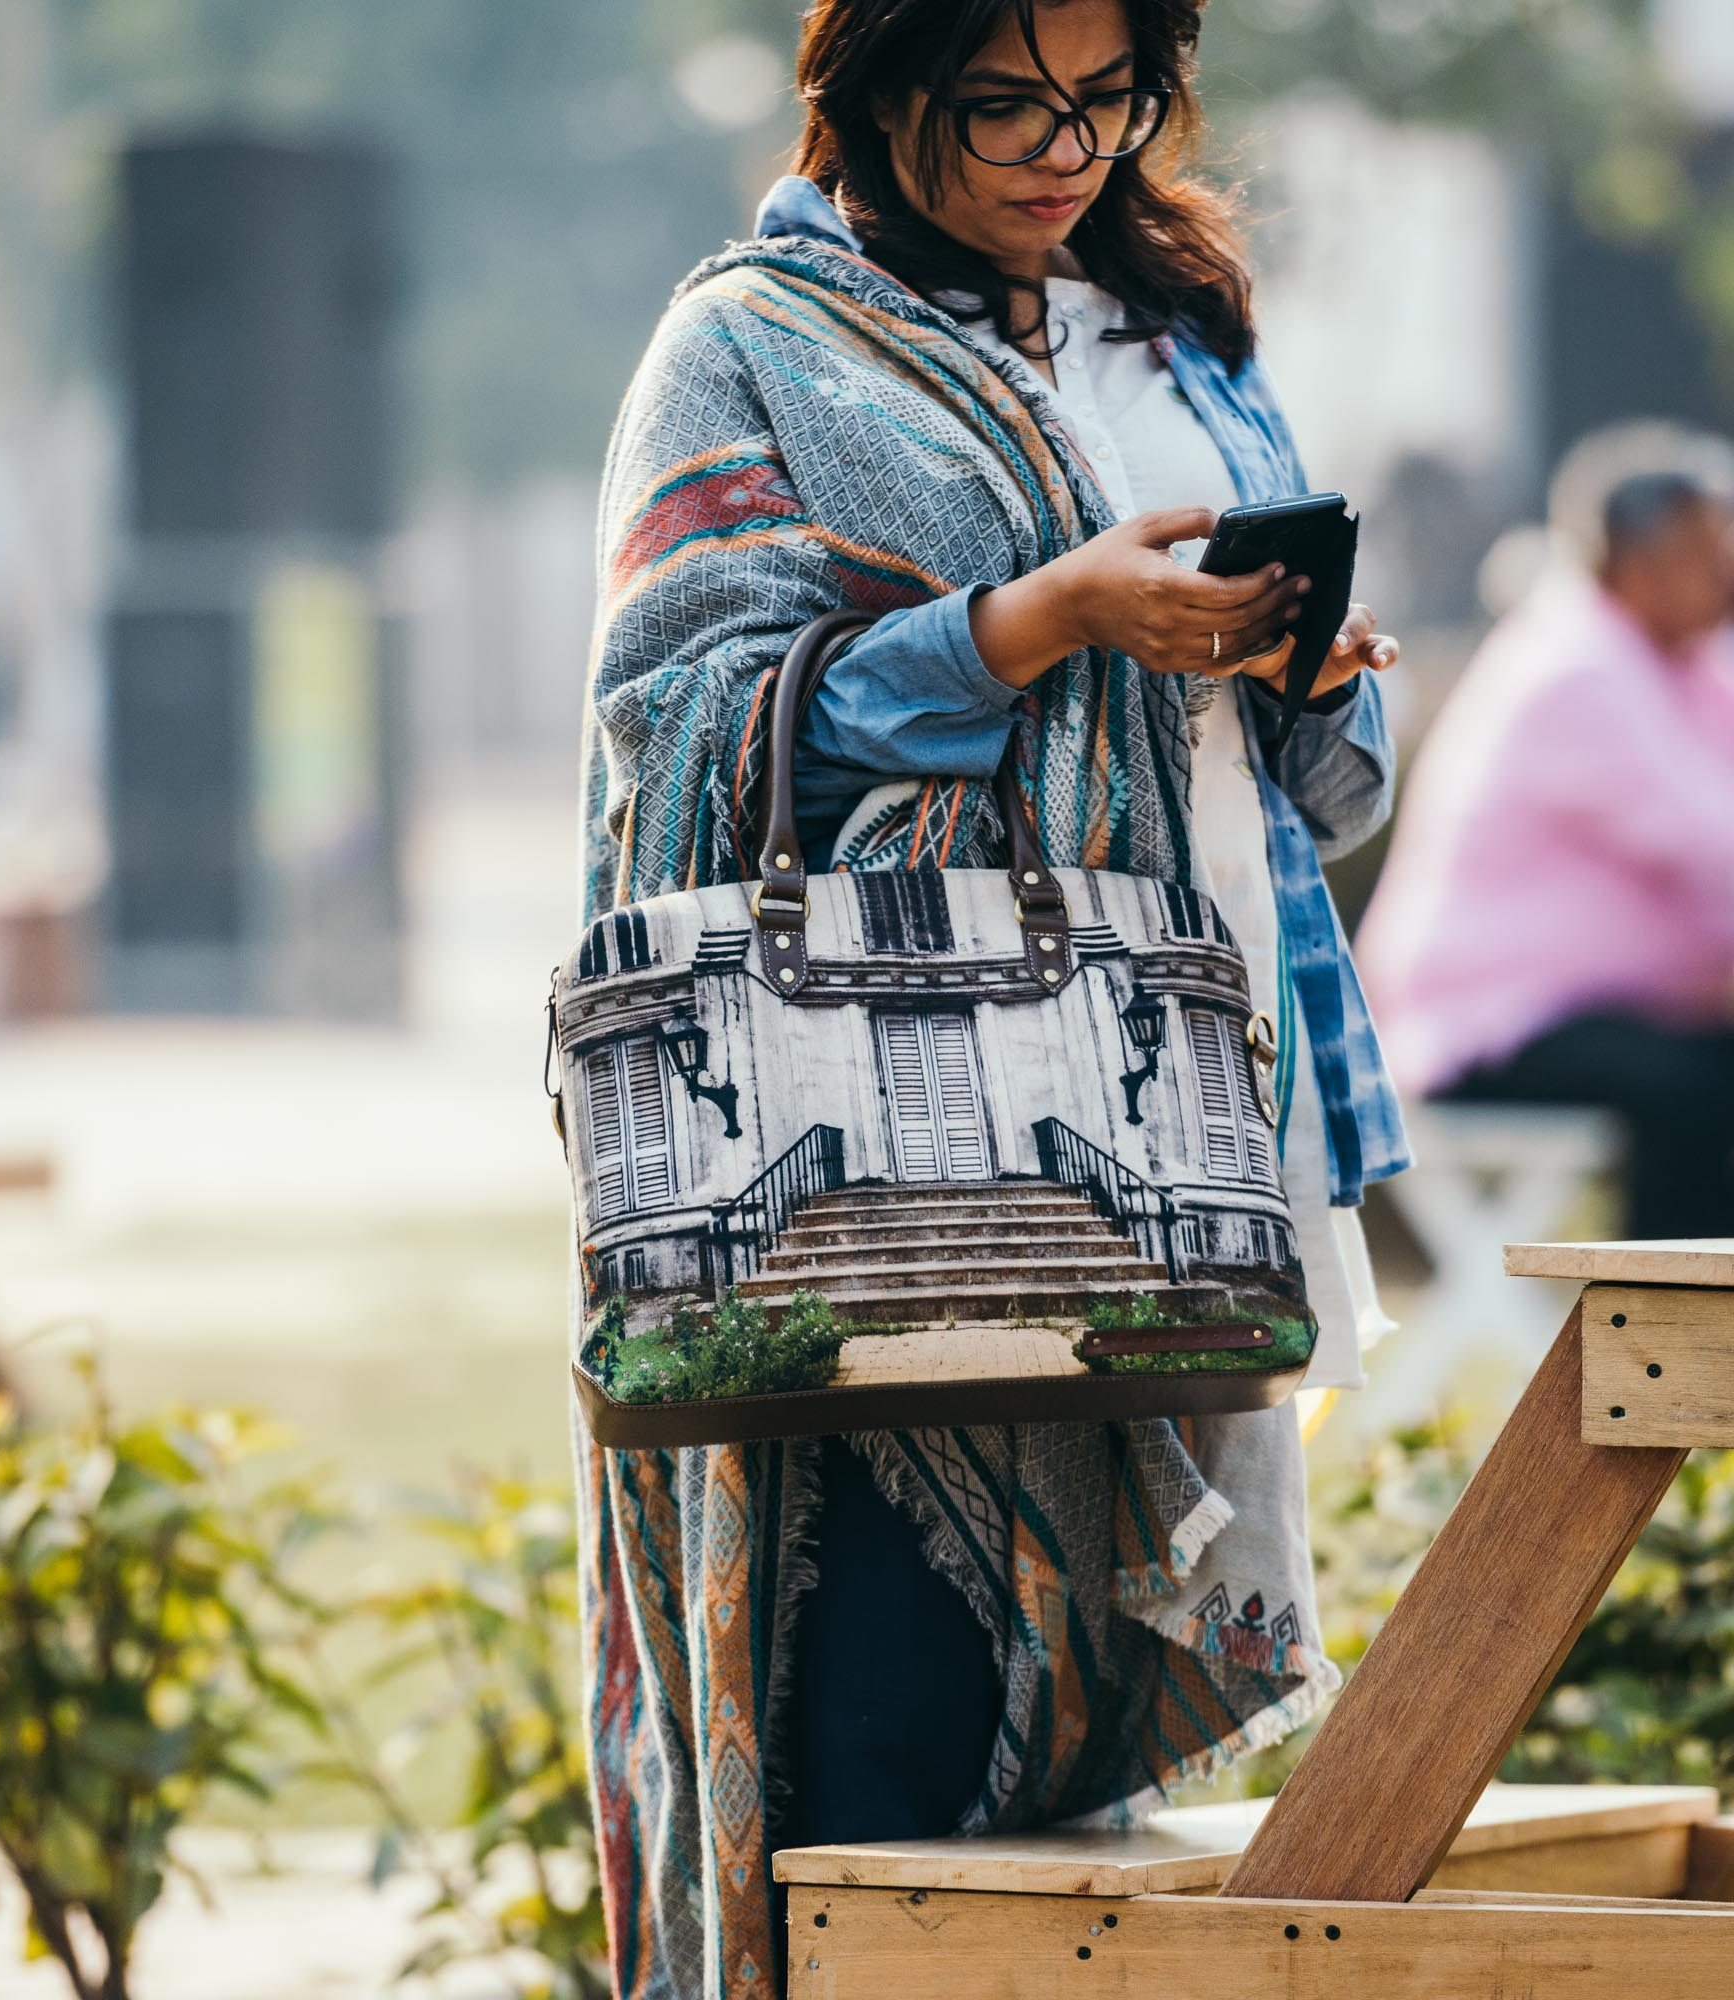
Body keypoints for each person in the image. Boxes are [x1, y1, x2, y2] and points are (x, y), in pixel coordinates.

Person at [575, 5, 1408, 1993]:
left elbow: (1309, 769)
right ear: (873, 94)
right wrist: (1038, 624)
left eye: (1107, 99)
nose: (1070, 150)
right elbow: (684, 728)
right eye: (1007, 106)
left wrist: (1301, 669)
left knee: (1069, 1774)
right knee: (884, 1695)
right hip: (881, 1131)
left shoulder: (1170, 322)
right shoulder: (751, 344)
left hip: (1177, 1094)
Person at [1358, 424, 1734, 1240]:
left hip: (1596, 1016)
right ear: (1640, 560)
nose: (1728, 568)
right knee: (1707, 1095)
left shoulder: (1684, 664)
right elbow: (1714, 854)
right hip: (1489, 1025)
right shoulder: (1577, 667)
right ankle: (1674, 1346)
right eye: (1712, 546)